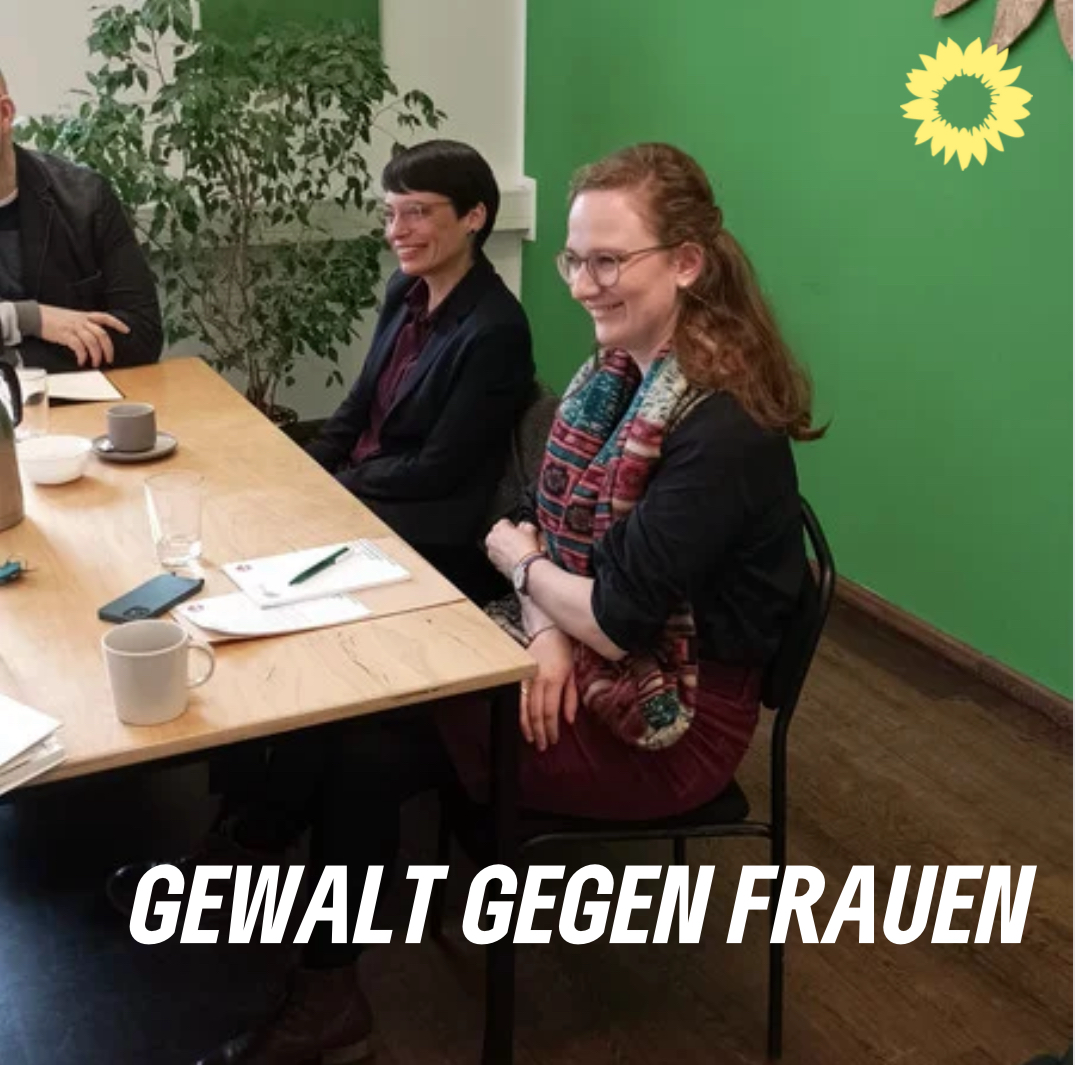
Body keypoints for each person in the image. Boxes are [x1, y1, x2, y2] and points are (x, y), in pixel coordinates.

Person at [110, 142, 823, 1065]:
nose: (584, 284)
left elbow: (604, 607)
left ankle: (325, 989)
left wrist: (527, 575)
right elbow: (548, 531)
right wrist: (545, 621)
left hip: (669, 721)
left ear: (686, 262)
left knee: (363, 739)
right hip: (587, 652)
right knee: (351, 707)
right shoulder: (620, 377)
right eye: (575, 259)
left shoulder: (720, 426)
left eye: (610, 261)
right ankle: (258, 870)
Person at [304, 139, 534, 601]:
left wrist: (337, 486)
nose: (397, 231)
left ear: (474, 216)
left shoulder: (496, 328)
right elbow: (360, 402)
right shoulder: (404, 288)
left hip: (428, 522)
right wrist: (306, 467)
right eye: (389, 214)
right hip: (368, 485)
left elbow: (438, 469)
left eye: (417, 212)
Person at [0, 69, 163, 371]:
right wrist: (30, 318)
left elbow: (142, 334)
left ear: (4, 114)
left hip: (77, 398)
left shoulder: (87, 199)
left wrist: (16, 359)